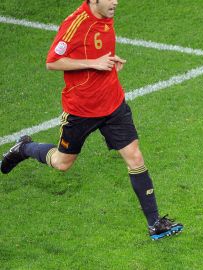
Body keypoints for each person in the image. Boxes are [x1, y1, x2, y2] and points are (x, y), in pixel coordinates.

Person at [0, 0, 183, 240]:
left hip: (113, 103)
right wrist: (93, 63)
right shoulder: (76, 24)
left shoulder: (106, 14)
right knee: (62, 163)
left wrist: (108, 61)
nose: (116, 2)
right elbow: (51, 62)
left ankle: (155, 224)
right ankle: (24, 148)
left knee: (135, 157)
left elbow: (95, 49)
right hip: (82, 110)